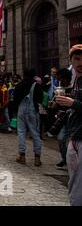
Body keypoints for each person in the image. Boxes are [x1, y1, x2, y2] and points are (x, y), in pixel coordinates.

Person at [55, 45, 82, 206]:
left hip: (80, 139)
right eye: (77, 59)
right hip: (74, 136)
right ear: (71, 61)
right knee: (74, 182)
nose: (80, 62)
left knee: (77, 185)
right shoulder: (77, 81)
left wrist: (73, 104)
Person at [13, 69, 44, 166]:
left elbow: (15, 99)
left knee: (21, 133)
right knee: (35, 134)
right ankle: (37, 158)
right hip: (32, 112)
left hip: (21, 111)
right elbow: (41, 98)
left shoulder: (19, 85)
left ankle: (22, 156)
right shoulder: (37, 86)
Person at [47, 68, 73, 170]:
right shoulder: (59, 89)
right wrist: (52, 104)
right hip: (62, 119)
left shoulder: (74, 88)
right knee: (61, 139)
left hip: (73, 119)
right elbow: (55, 104)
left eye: (60, 79)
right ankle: (65, 160)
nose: (59, 82)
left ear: (66, 79)